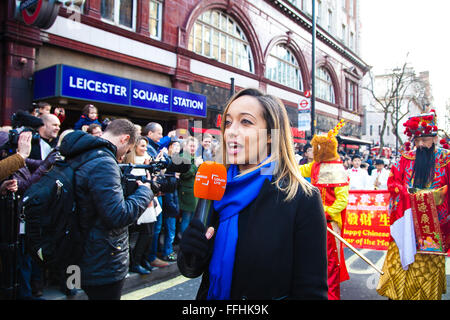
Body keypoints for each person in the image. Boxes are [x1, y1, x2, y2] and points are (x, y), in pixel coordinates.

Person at [177, 88, 328, 300]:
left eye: (246, 122)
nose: (230, 131)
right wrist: (191, 252)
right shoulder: (215, 184)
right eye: (227, 122)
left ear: (270, 135)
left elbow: (311, 292)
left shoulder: (301, 198)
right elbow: (191, 269)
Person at [58, 119, 153, 300]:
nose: (124, 156)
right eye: (128, 149)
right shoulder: (104, 163)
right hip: (102, 258)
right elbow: (118, 215)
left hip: (80, 250)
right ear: (125, 139)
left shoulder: (84, 154)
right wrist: (145, 192)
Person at [376, 109, 450, 300]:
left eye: (424, 140)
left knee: (425, 272)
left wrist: (435, 197)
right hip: (407, 223)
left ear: (434, 138)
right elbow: (393, 183)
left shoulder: (446, 159)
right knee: (400, 266)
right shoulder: (406, 158)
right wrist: (407, 196)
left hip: (432, 228)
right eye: (416, 140)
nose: (419, 144)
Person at [299, 119, 350, 300]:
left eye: (315, 148)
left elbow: (342, 200)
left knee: (331, 265)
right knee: (315, 261)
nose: (311, 151)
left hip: (329, 225)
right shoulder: (315, 166)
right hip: (315, 222)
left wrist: (325, 213)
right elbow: (300, 170)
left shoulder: (337, 169)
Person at [161, 139, 181, 262]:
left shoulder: (177, 160)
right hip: (167, 194)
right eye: (174, 146)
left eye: (179, 147)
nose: (177, 149)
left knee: (170, 228)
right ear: (169, 147)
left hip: (173, 192)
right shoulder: (165, 159)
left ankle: (167, 250)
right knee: (170, 227)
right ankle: (167, 252)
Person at [178, 136, 201, 236]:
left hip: (194, 192)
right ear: (185, 146)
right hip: (186, 192)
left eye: (195, 146)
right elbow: (185, 174)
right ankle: (183, 240)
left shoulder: (194, 157)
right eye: (191, 146)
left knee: (191, 218)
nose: (193, 148)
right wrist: (196, 165)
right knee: (186, 218)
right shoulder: (183, 157)